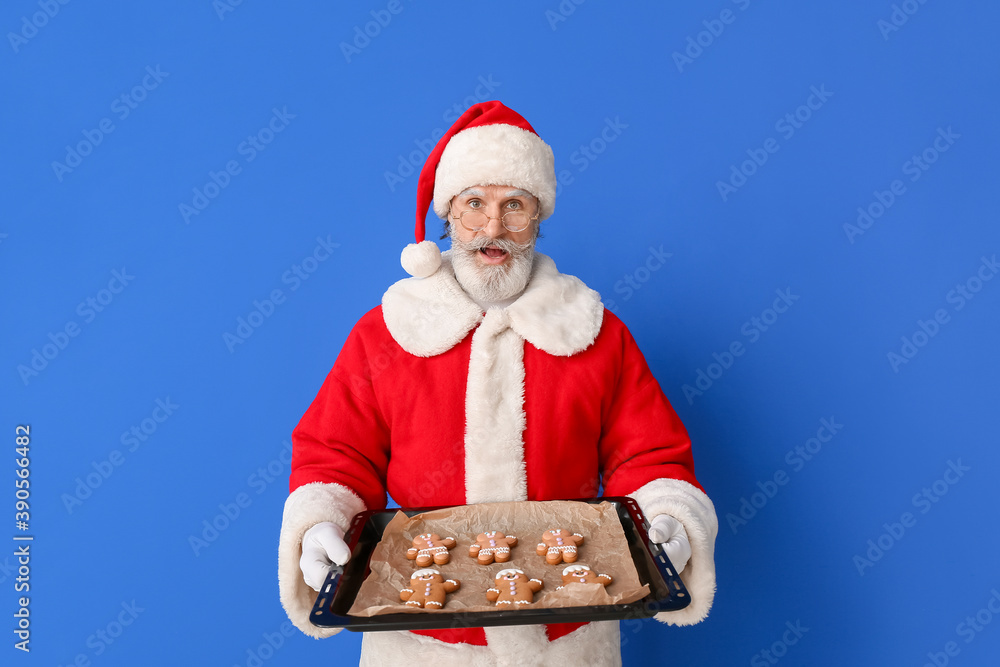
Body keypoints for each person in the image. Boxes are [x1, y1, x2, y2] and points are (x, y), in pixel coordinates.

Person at [277, 101, 718, 666]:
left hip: (568, 637)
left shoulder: (594, 332)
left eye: (515, 205)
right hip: (421, 641)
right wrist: (321, 524)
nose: (493, 228)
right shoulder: (385, 334)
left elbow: (651, 452)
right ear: (448, 215)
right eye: (474, 205)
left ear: (539, 217)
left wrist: (668, 518)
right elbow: (335, 451)